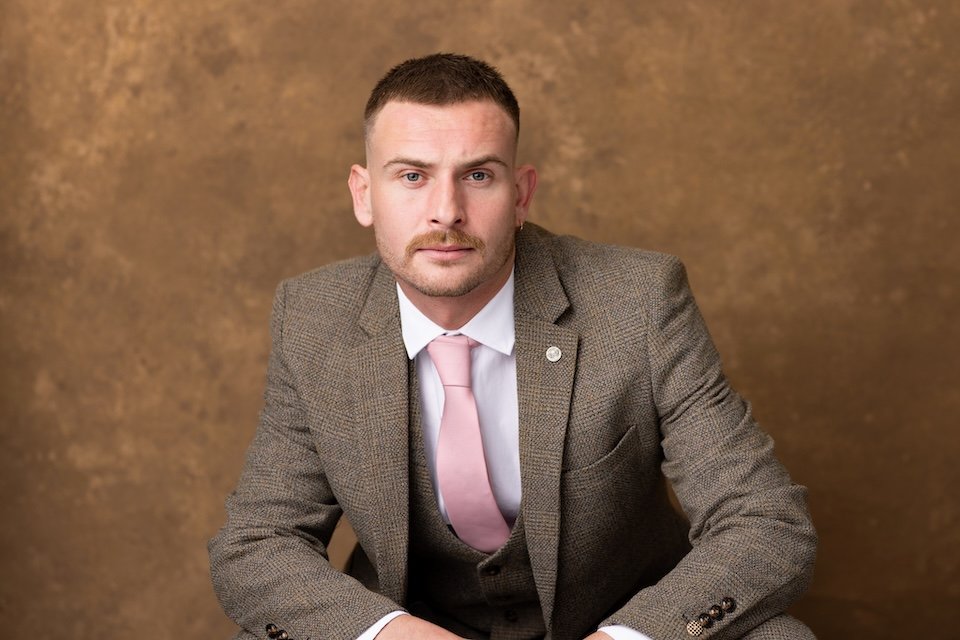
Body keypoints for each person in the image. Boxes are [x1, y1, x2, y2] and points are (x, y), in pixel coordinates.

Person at [209, 53, 817, 640]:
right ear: (363, 194)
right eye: (413, 176)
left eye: (478, 176)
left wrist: (628, 638)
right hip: (413, 625)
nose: (446, 212)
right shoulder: (313, 318)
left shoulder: (640, 301)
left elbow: (764, 520)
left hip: (617, 619)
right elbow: (259, 540)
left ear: (521, 194)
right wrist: (392, 635)